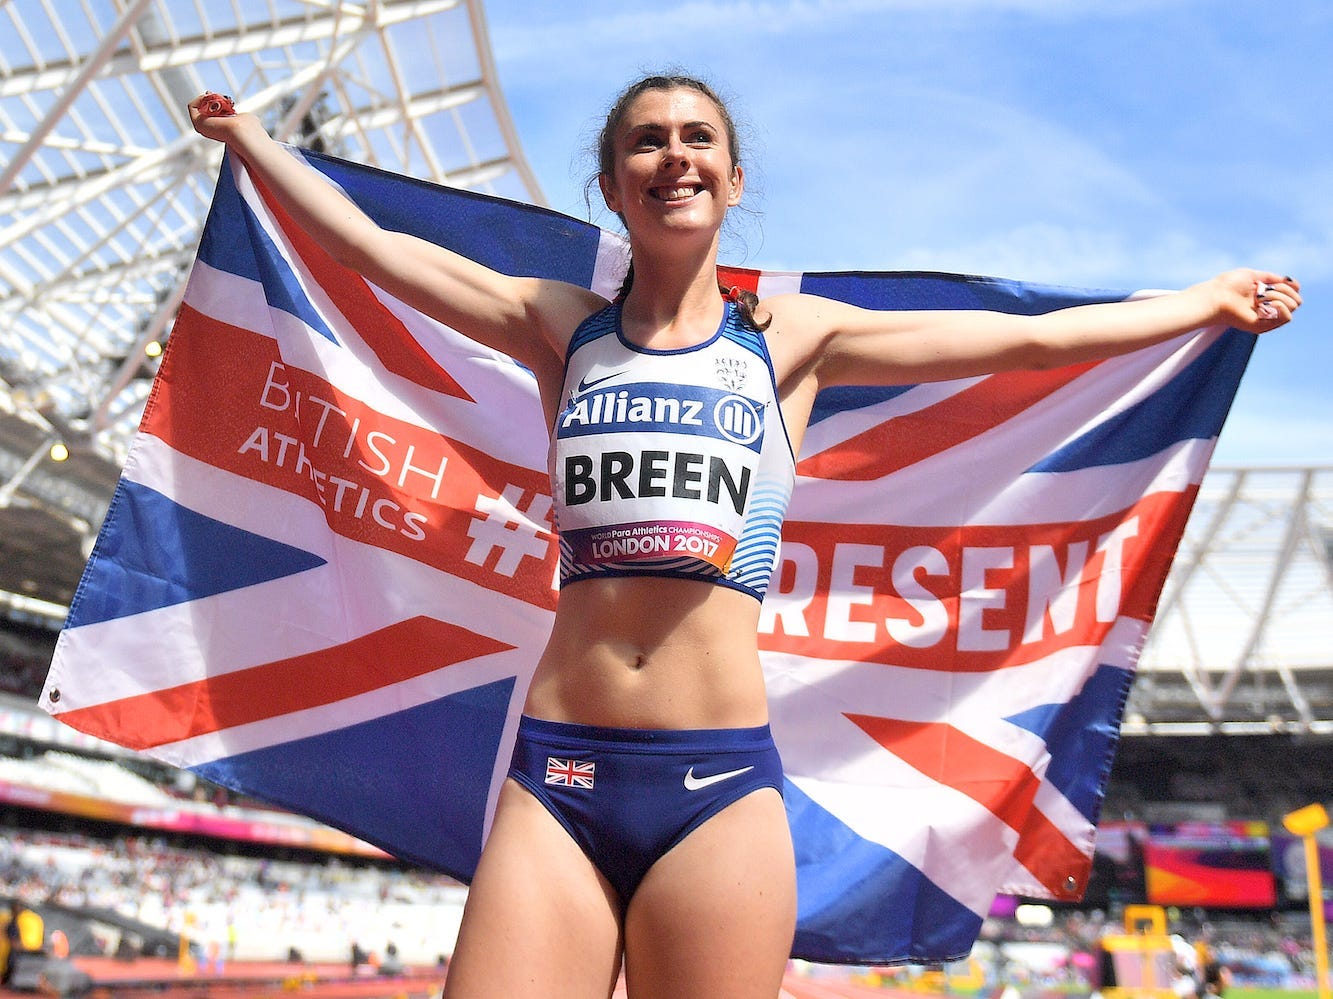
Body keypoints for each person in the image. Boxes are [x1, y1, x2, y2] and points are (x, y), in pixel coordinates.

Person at [189, 74, 1301, 999]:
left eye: (696, 139)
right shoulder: (556, 326)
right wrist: (248, 140)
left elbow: (1031, 341)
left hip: (717, 784)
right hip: (555, 771)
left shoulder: (795, 343)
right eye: (645, 142)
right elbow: (369, 248)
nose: (672, 157)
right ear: (613, 182)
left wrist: (1200, 304)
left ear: (731, 178)